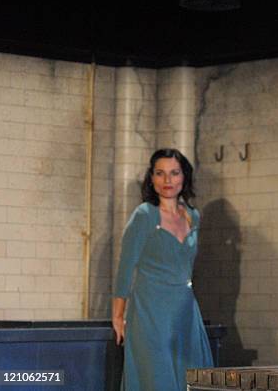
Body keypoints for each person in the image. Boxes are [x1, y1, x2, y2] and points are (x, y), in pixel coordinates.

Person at [112, 148, 213, 391]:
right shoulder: (144, 215)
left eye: (174, 173)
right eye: (160, 173)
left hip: (185, 310)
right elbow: (126, 267)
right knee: (157, 379)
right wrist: (117, 316)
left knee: (193, 379)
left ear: (184, 177)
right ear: (152, 178)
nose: (167, 180)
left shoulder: (192, 216)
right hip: (150, 310)